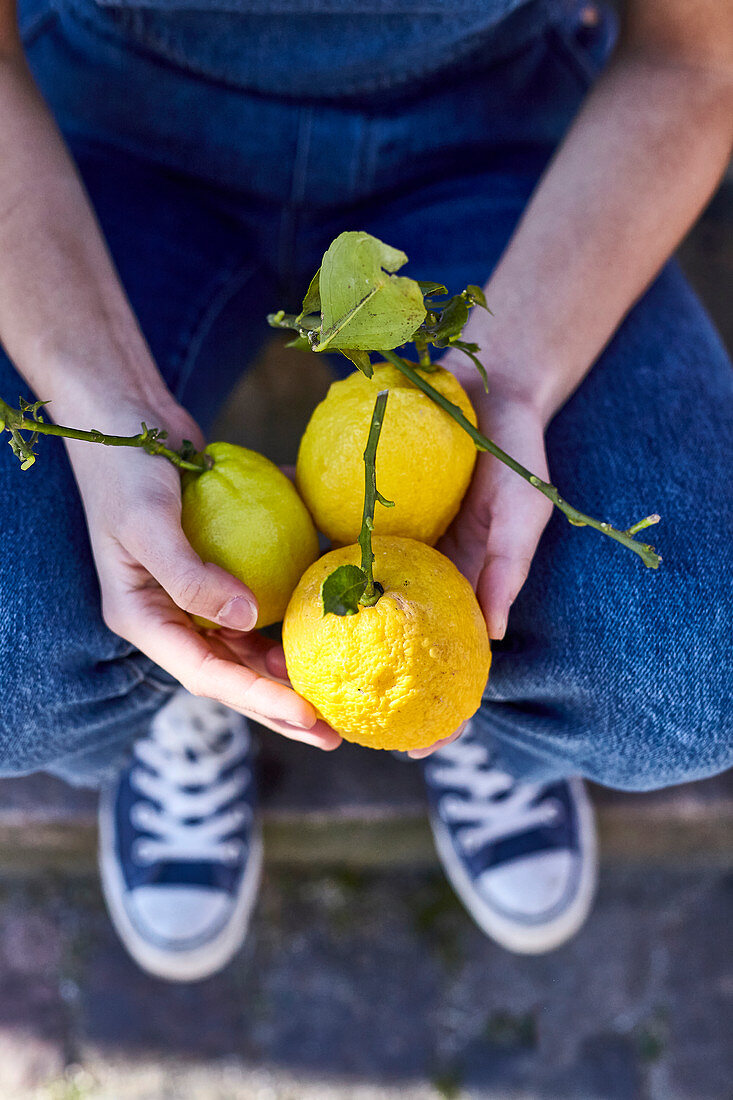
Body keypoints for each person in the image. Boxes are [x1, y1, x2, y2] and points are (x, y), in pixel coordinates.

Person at [0, 0, 731, 981]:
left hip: (492, 127)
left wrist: (507, 384)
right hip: (107, 124)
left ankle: (452, 700)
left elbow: (694, 57)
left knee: (682, 672)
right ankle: (183, 667)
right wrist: (100, 399)